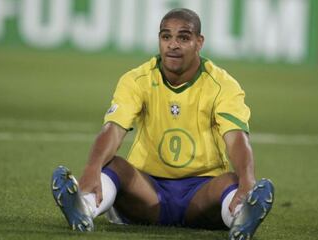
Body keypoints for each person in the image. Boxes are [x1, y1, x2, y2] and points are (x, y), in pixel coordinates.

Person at [51, 8, 274, 240]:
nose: (173, 45)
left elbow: (236, 139)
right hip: (147, 191)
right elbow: (113, 130)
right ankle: (84, 207)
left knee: (232, 181)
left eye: (183, 38)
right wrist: (91, 169)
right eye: (166, 37)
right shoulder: (137, 80)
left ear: (199, 42)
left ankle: (241, 216)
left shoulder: (223, 85)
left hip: (201, 193)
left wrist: (247, 182)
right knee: (114, 166)